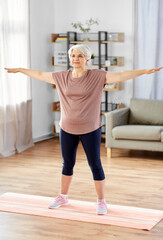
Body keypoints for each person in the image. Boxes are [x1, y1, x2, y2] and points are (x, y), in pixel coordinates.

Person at [4, 45, 163, 215]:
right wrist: (20, 70)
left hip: (90, 128)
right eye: (73, 55)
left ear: (87, 59)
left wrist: (145, 71)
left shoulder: (97, 76)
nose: (76, 58)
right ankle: (63, 196)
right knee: (67, 164)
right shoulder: (61, 77)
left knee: (95, 164)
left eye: (80, 56)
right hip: (66, 128)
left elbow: (121, 75)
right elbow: (40, 74)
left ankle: (101, 201)